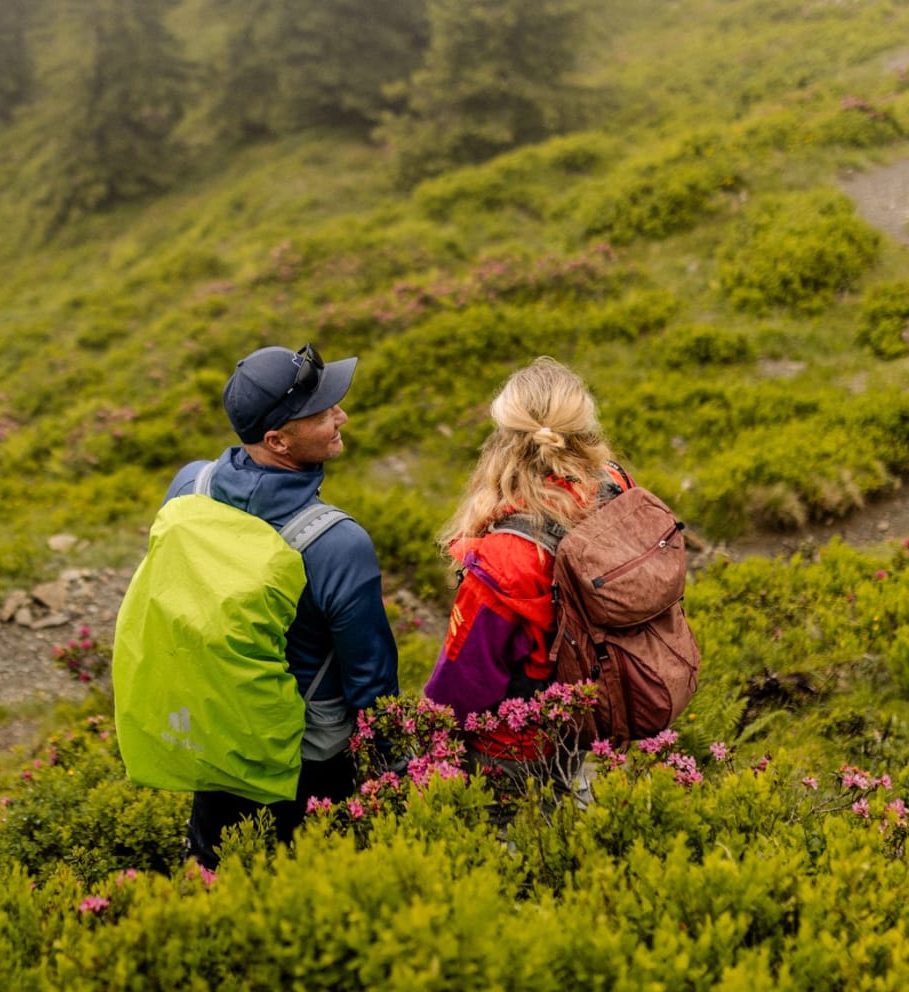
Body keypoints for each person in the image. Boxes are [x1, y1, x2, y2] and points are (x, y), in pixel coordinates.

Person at [165, 342, 399, 868]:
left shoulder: (188, 486)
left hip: (215, 737)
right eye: (322, 413)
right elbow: (373, 686)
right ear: (278, 440)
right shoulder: (337, 543)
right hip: (308, 763)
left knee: (215, 870)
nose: (342, 416)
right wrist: (396, 774)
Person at [423, 357, 634, 770]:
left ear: (506, 438)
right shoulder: (616, 486)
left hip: (516, 750)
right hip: (591, 720)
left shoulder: (505, 559)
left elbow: (459, 690)